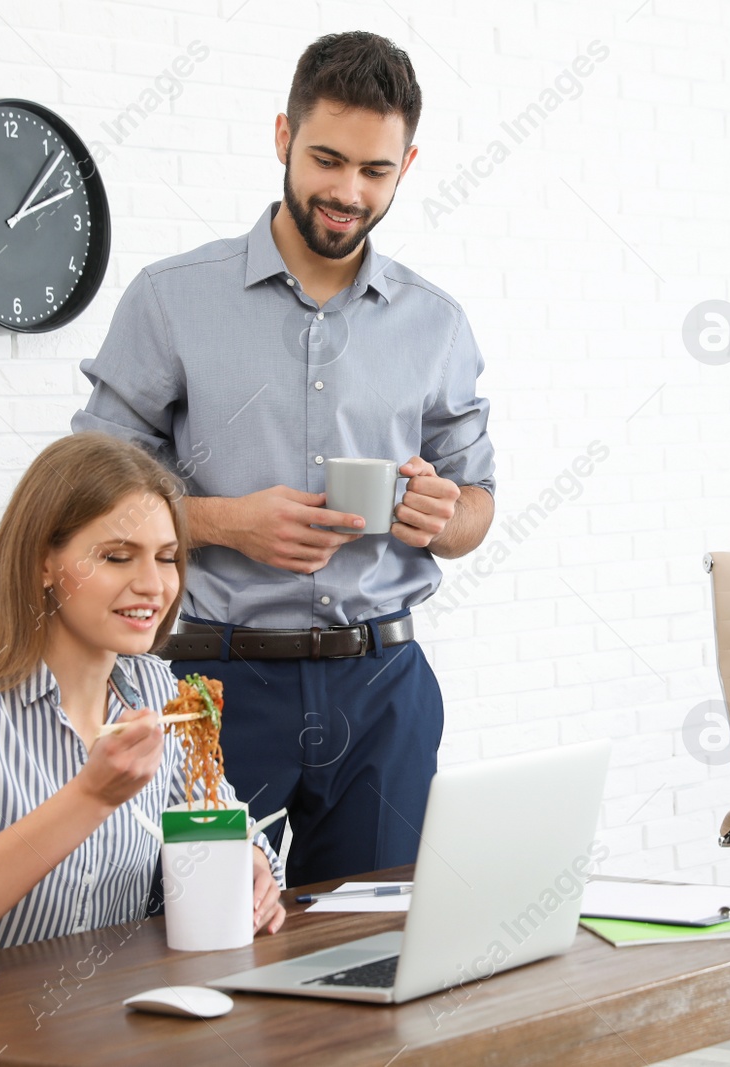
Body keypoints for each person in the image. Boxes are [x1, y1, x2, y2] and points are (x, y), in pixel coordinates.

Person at [72, 32, 495, 887]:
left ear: (407, 164)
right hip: (211, 682)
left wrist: (446, 517)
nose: (347, 192)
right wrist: (226, 522)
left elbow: (478, 501)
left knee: (381, 951)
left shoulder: (436, 323)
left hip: (385, 687)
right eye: (327, 160)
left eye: (374, 171)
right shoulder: (171, 299)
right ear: (282, 139)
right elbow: (85, 495)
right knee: (204, 937)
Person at [0, 433, 285, 976]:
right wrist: (89, 797)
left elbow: (231, 828)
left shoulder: (160, 693)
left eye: (167, 558)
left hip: (91, 1020)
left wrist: (250, 864)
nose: (154, 586)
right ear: (43, 564)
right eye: (116, 557)